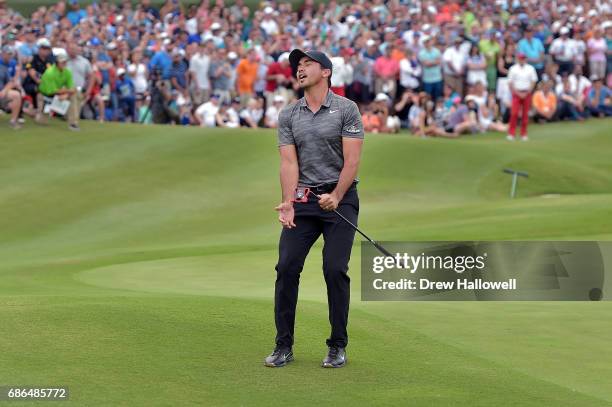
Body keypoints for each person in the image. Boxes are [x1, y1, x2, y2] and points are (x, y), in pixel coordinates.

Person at [266, 49, 364, 369]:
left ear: (326, 72)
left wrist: (336, 194)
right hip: (305, 200)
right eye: (298, 65)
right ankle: (283, 345)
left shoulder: (346, 109)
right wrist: (289, 202)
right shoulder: (289, 115)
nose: (300, 69)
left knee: (334, 269)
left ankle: (337, 345)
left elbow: (352, 161)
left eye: (308, 64)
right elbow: (288, 162)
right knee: (287, 268)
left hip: (340, 200)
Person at [37, 51, 80, 131]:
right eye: (62, 62)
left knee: (74, 96)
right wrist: (67, 92)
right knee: (42, 121)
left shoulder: (67, 72)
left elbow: (72, 88)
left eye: (65, 62)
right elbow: (51, 91)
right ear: (57, 63)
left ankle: (73, 123)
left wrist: (66, 94)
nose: (64, 64)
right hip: (45, 95)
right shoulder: (50, 73)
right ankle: (34, 112)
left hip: (58, 94)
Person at [507, 52, 537, 141]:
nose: (522, 60)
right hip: (516, 93)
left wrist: (527, 92)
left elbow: (533, 81)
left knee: (525, 114)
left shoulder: (530, 68)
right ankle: (511, 133)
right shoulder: (513, 69)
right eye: (520, 58)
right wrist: (517, 93)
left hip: (526, 93)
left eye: (523, 58)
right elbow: (510, 83)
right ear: (518, 59)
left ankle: (523, 133)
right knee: (514, 113)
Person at [0, 45, 22, 129]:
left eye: (10, 54)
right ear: (2, 53)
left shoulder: (4, 67)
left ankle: (13, 121)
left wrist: (5, 90)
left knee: (16, 94)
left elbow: (10, 81)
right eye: (7, 54)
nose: (9, 56)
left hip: (2, 92)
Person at [419, 35, 443, 100]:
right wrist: (434, 62)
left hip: (437, 78)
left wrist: (430, 62)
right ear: (423, 43)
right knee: (428, 97)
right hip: (427, 79)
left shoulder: (437, 51)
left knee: (438, 97)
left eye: (428, 41)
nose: (427, 43)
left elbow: (438, 62)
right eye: (425, 42)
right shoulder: (421, 53)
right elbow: (426, 64)